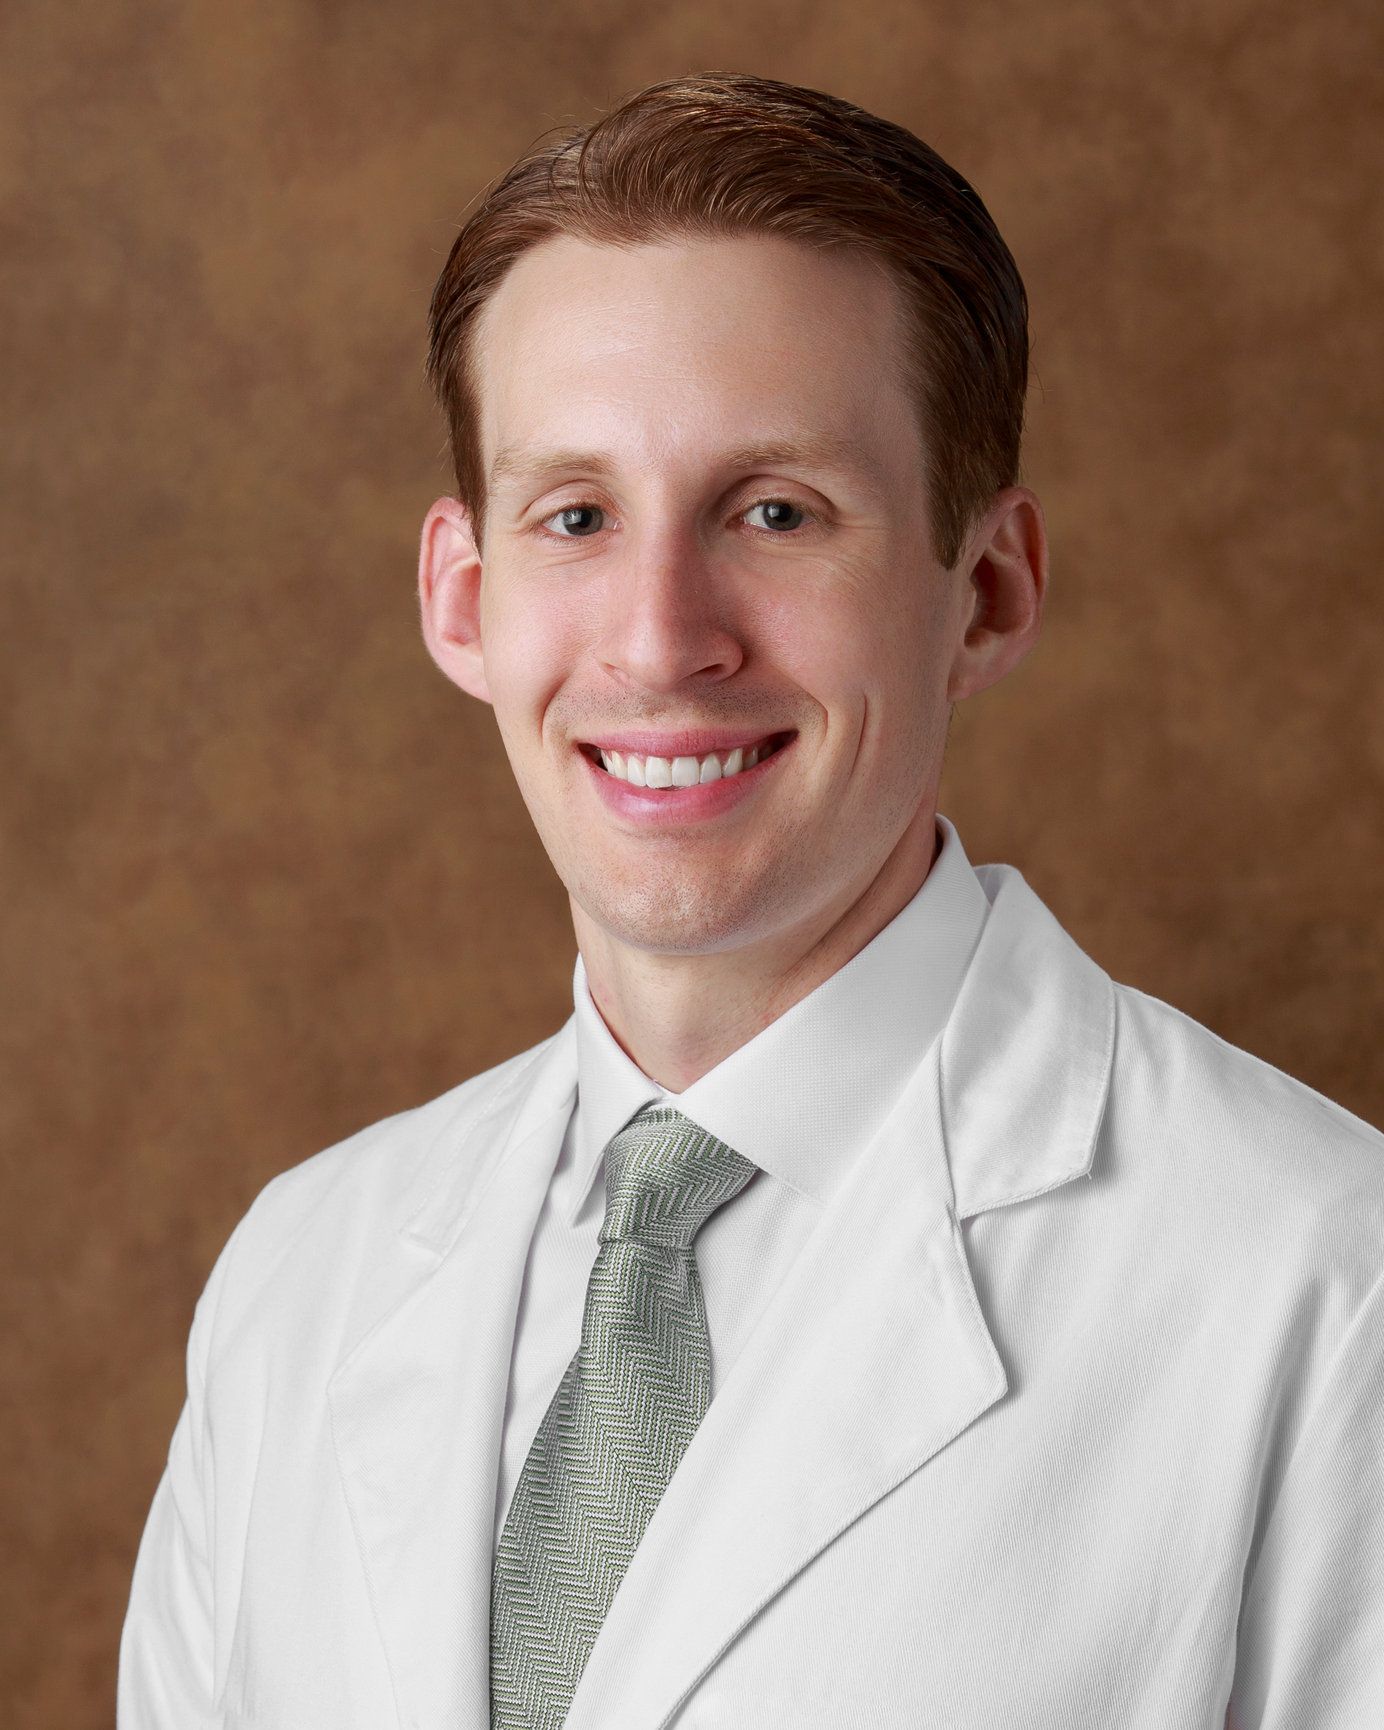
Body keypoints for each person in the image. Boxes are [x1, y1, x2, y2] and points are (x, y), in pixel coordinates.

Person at [118, 70, 1384, 1730]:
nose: (659, 636)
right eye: (575, 515)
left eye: (775, 511)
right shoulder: (302, 1273)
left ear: (986, 590)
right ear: (462, 595)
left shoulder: (1321, 1281)